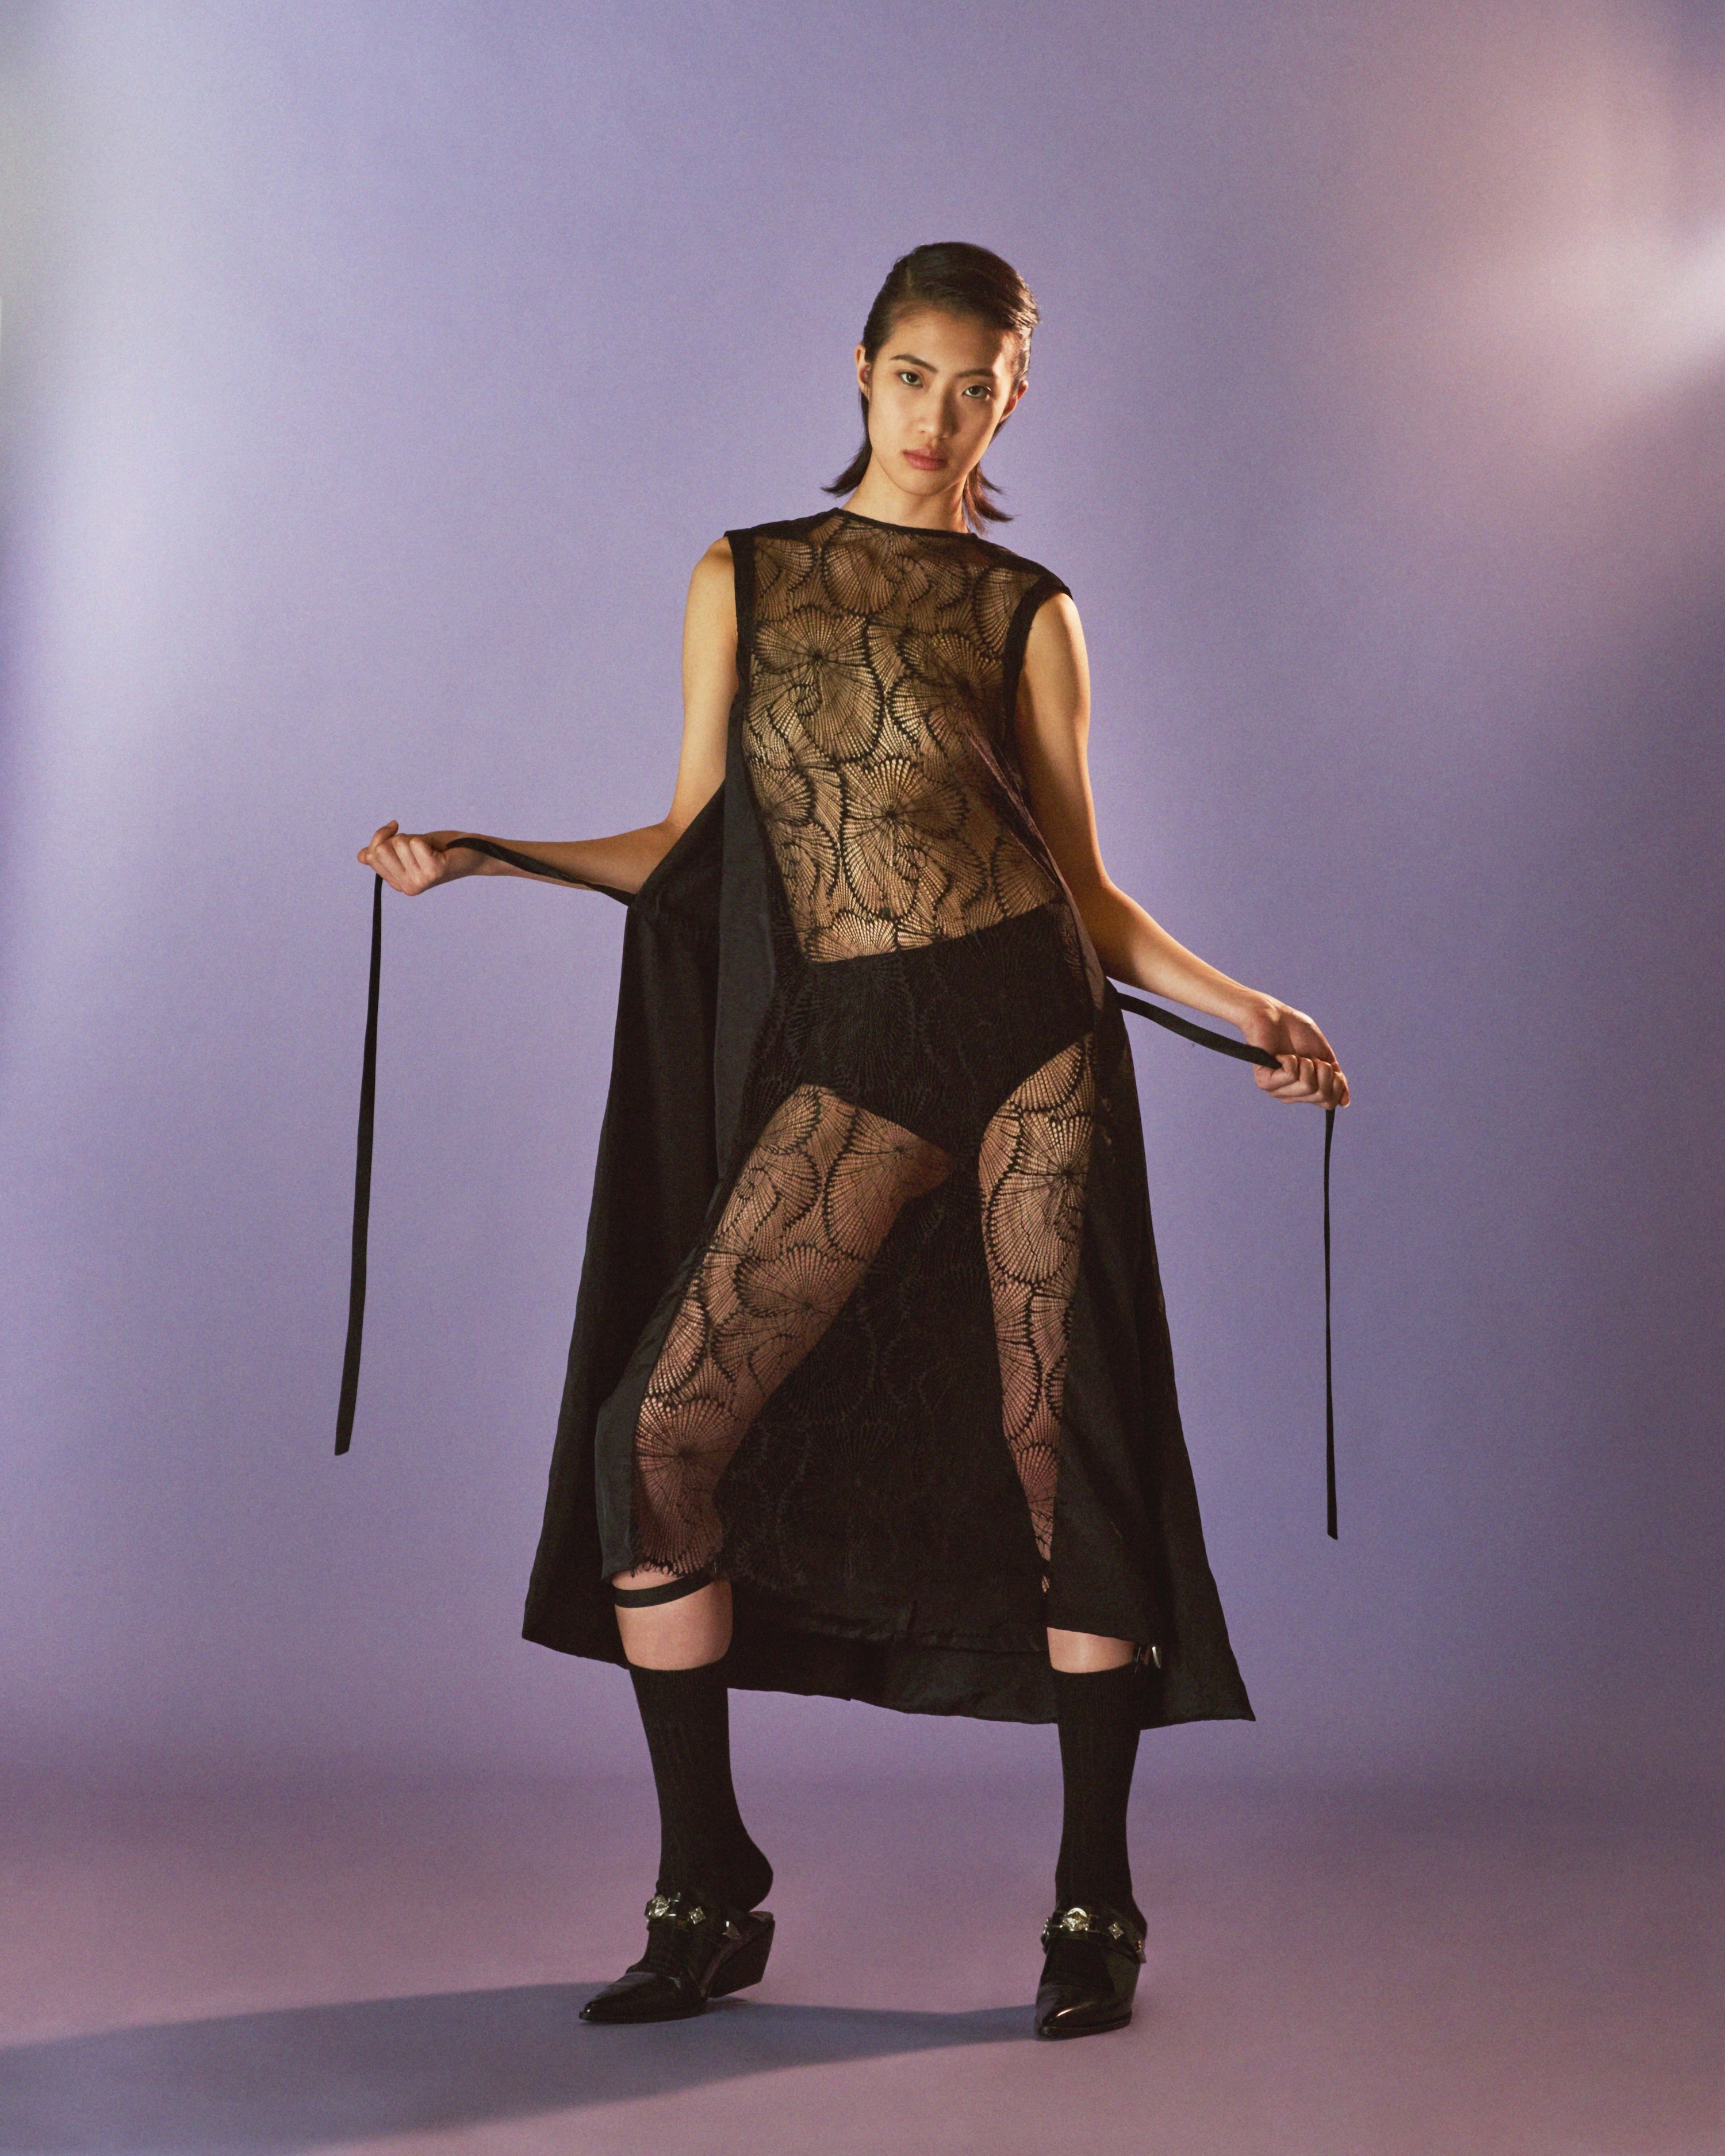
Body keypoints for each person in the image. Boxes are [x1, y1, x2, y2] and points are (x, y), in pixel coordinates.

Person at [358, 242, 1348, 2041]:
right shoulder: (744, 576)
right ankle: (709, 1881)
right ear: (863, 370)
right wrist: (488, 853)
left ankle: (1096, 1900)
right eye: (914, 377)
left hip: (1031, 1031)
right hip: (860, 1050)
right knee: (661, 1433)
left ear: (1014, 400)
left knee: (1061, 1444)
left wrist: (1254, 1006)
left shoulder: (1028, 609)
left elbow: (1088, 891)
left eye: (980, 388)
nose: (939, 417)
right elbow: (687, 840)